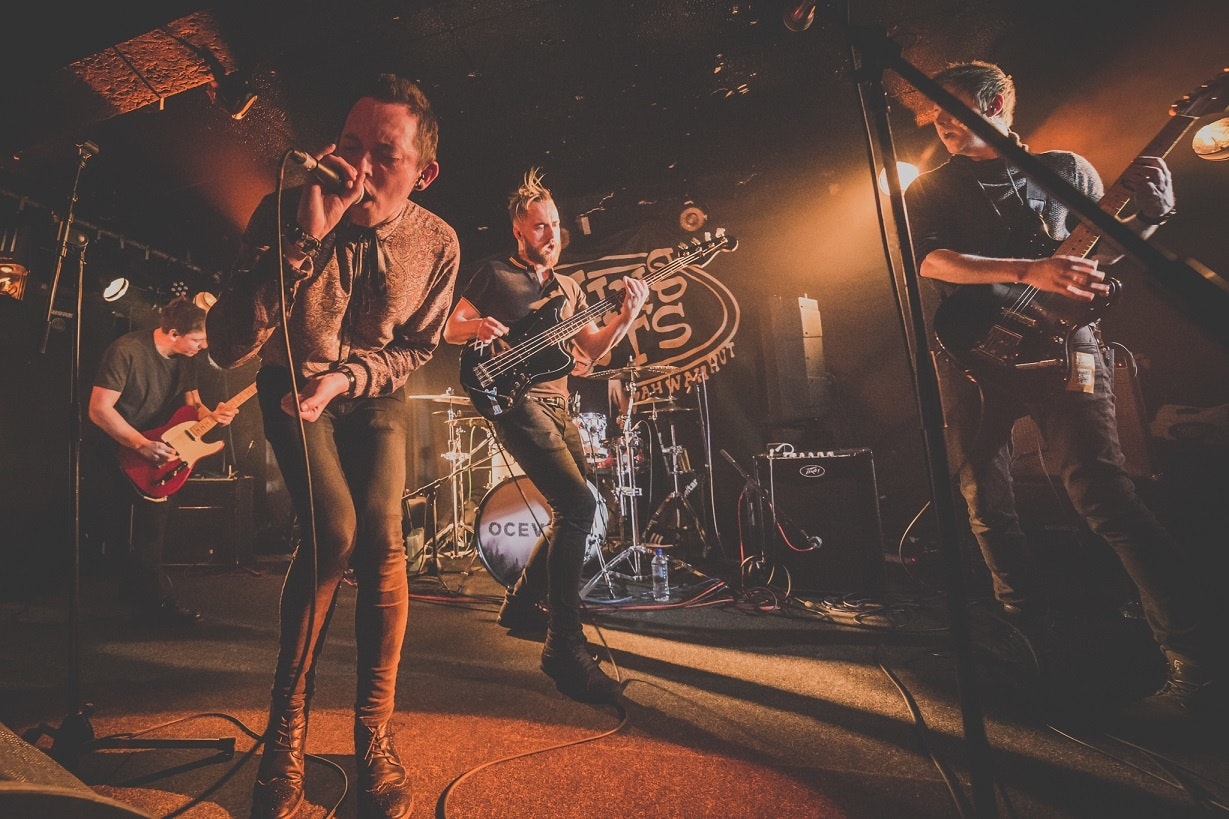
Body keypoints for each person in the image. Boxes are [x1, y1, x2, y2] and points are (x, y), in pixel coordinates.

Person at [904, 60, 1217, 721]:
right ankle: (1023, 631)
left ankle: (1197, 664)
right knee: (982, 493)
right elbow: (931, 261)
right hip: (970, 351)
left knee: (1104, 494)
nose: (939, 124)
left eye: (949, 109)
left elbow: (1097, 256)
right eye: (932, 115)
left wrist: (1153, 216)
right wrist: (1029, 269)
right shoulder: (931, 186)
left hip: (1068, 347)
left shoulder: (1065, 170)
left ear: (995, 102)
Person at [207, 73, 460, 819]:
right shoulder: (284, 210)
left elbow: (417, 348)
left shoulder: (438, 242)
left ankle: (372, 732)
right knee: (333, 530)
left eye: (385, 155)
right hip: (290, 385)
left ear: (424, 172)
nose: (359, 167)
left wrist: (350, 377)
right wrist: (304, 240)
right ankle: (285, 735)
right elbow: (226, 344)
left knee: (383, 537)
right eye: (350, 145)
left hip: (371, 392)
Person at [443, 168, 648, 704]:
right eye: (540, 226)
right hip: (514, 400)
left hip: (559, 404)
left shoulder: (569, 289)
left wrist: (627, 317)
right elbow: (449, 328)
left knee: (578, 506)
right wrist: (476, 327)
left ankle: (520, 604)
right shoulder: (493, 275)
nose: (552, 234)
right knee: (578, 506)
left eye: (555, 224)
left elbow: (591, 352)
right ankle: (564, 644)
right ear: (518, 229)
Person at [87, 296, 238, 627]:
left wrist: (214, 416)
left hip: (157, 447)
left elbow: (193, 405)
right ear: (173, 333)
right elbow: (98, 409)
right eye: (197, 340)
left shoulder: (186, 359)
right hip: (116, 447)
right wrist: (140, 444)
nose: (202, 347)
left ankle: (144, 598)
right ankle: (152, 602)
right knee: (140, 526)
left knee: (152, 526)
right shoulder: (126, 351)